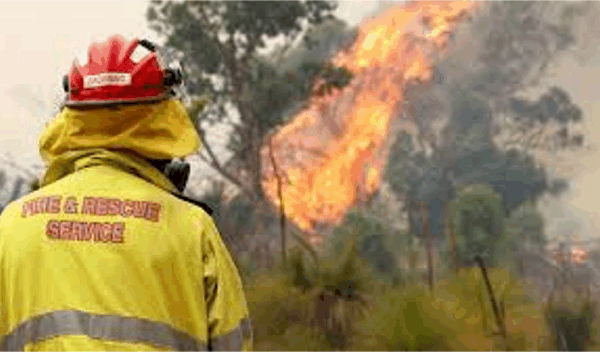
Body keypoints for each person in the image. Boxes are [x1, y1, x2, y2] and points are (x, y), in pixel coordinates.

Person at [0, 35, 252, 351]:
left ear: (70, 121)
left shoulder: (11, 225)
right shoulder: (191, 228)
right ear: (162, 120)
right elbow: (233, 344)